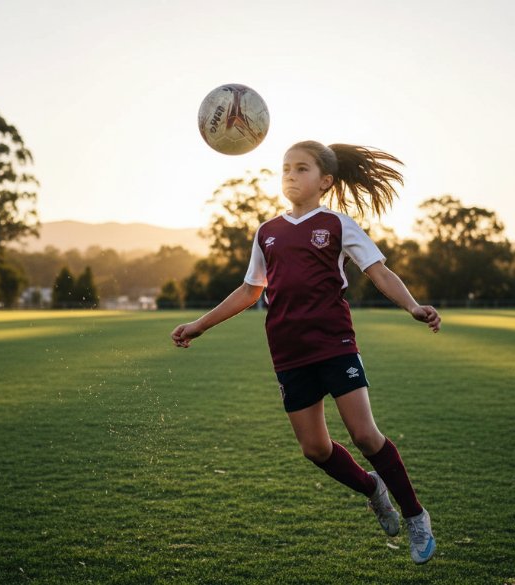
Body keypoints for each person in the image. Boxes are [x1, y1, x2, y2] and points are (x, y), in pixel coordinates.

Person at [170, 140, 441, 564]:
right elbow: (248, 290)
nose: (291, 177)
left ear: (325, 181)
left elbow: (379, 272)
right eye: (285, 169)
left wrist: (412, 306)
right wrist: (199, 325)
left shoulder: (336, 224)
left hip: (334, 345)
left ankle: (415, 515)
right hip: (288, 352)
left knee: (365, 434)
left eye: (301, 169)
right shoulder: (267, 232)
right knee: (314, 449)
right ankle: (373, 489)